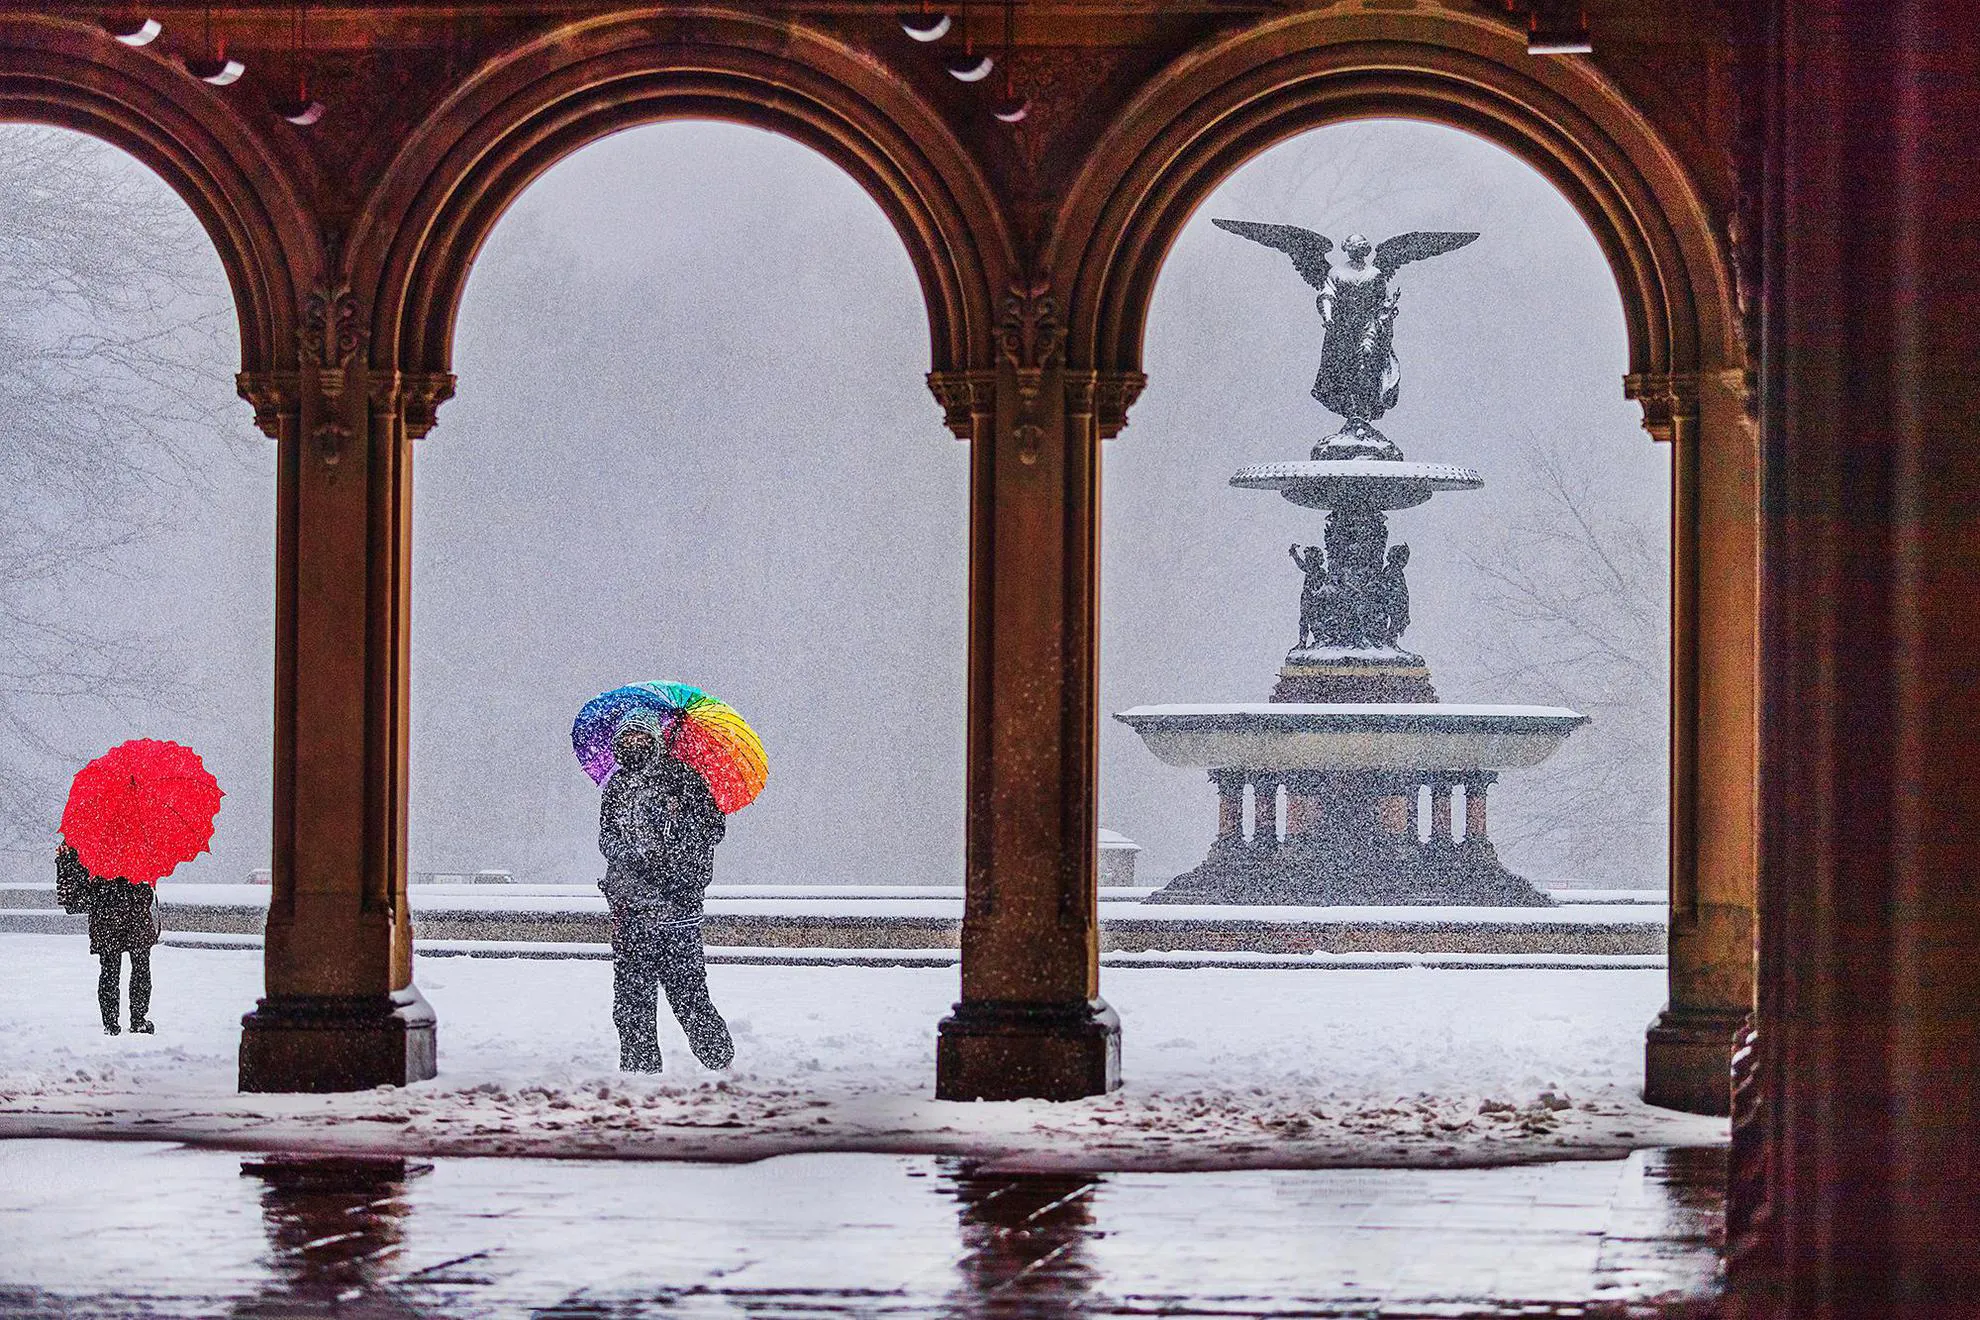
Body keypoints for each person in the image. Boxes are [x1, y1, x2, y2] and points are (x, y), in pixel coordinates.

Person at [597, 710, 735, 1073]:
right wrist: (632, 857)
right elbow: (606, 837)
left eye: (641, 737)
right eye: (626, 739)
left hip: (677, 906)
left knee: (687, 992)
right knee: (631, 997)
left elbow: (712, 829)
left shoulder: (684, 779)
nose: (633, 744)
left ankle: (718, 1060)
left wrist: (676, 838)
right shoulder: (616, 787)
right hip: (631, 907)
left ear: (655, 741)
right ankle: (639, 1069)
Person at [54, 843, 159, 1035]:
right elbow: (146, 890)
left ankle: (111, 1023)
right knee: (141, 967)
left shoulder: (93, 844)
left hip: (106, 920)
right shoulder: (138, 843)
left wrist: (67, 860)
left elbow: (83, 892)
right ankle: (138, 1019)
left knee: (110, 971)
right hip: (135, 918)